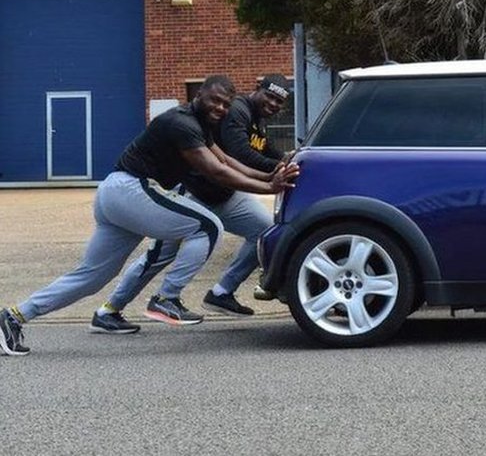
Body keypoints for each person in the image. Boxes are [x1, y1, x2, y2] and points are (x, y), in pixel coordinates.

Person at [0, 76, 300, 356]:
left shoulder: (201, 125)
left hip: (116, 196)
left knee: (91, 277)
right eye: (215, 100)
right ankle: (166, 299)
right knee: (207, 227)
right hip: (132, 189)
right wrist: (268, 186)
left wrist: (269, 177)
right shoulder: (179, 122)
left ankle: (13, 317)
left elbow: (227, 160)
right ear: (199, 95)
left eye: (225, 103)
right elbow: (216, 171)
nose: (220, 107)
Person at [88, 74, 296, 334]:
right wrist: (271, 177)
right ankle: (112, 309)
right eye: (271, 96)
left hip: (226, 194)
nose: (274, 104)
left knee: (265, 231)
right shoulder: (236, 111)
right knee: (159, 257)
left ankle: (222, 292)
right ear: (258, 89)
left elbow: (261, 151)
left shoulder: (257, 120)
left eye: (279, 101)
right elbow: (234, 156)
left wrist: (286, 162)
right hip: (195, 193)